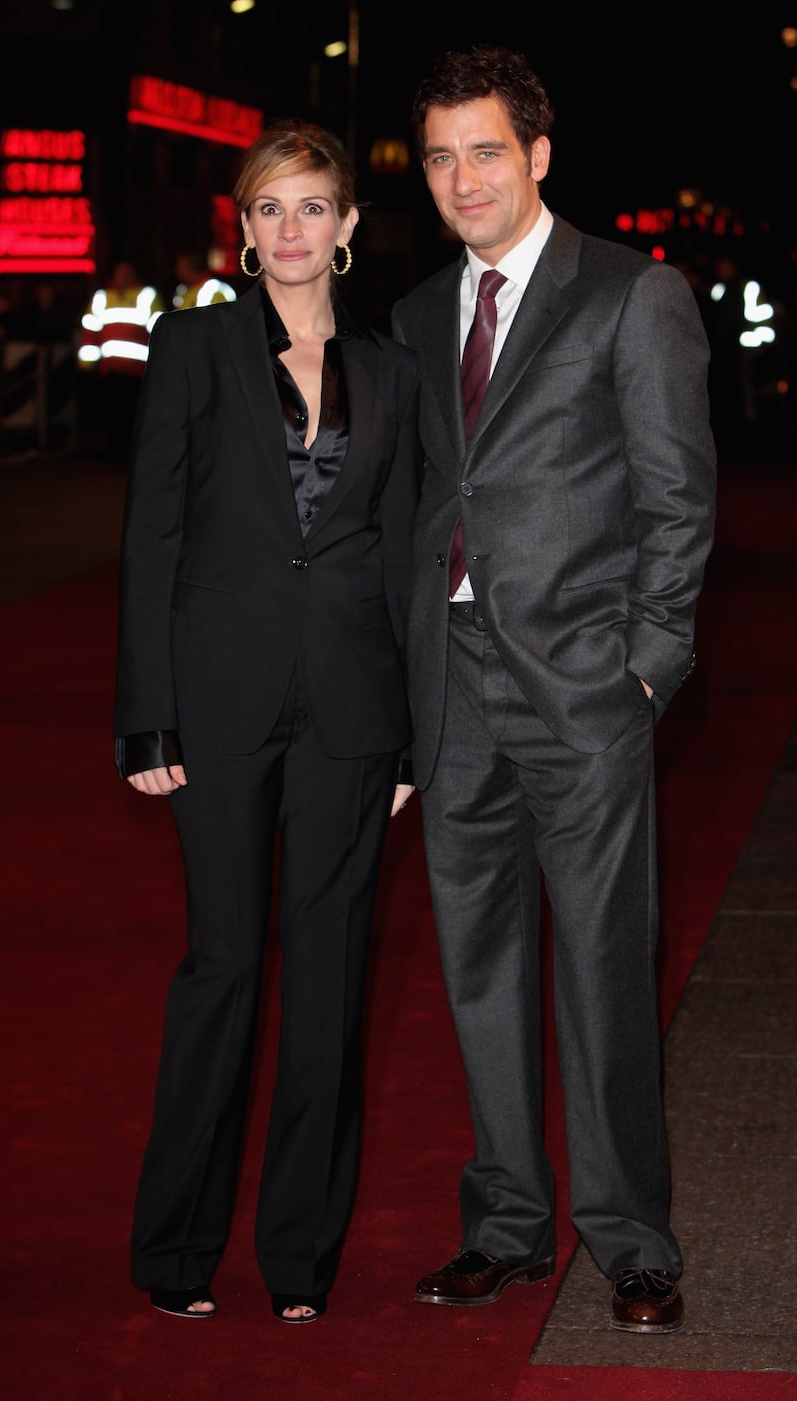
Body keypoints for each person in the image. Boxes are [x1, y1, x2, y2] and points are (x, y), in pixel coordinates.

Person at [391, 45, 716, 1333]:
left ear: (535, 156)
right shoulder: (419, 316)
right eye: (437, 156)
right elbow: (429, 500)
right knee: (476, 967)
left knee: (598, 967)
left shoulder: (631, 297)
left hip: (582, 687)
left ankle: (632, 1240)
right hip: (453, 684)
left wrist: (642, 672)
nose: (461, 178)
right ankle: (508, 1226)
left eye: (484, 150)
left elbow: (677, 502)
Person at [113, 120, 420, 1324]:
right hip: (220, 701)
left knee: (332, 981)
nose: (290, 231)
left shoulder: (390, 370)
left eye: (312, 209)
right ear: (243, 229)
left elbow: (399, 558)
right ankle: (177, 1251)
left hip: (349, 712)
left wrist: (403, 735)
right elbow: (152, 536)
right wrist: (148, 718)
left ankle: (300, 1261)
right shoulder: (191, 346)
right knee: (224, 967)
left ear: (347, 228)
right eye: (268, 210)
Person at [78, 260, 166, 459]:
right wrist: (86, 366)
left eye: (127, 273)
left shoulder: (146, 296)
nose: (123, 277)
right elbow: (90, 333)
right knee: (112, 415)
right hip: (110, 371)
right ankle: (115, 453)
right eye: (120, 273)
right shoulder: (101, 298)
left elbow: (160, 332)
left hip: (138, 373)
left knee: (134, 417)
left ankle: (132, 455)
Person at [171, 251, 236, 309]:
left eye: (181, 267)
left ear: (191, 268)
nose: (177, 271)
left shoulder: (215, 291)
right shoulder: (183, 290)